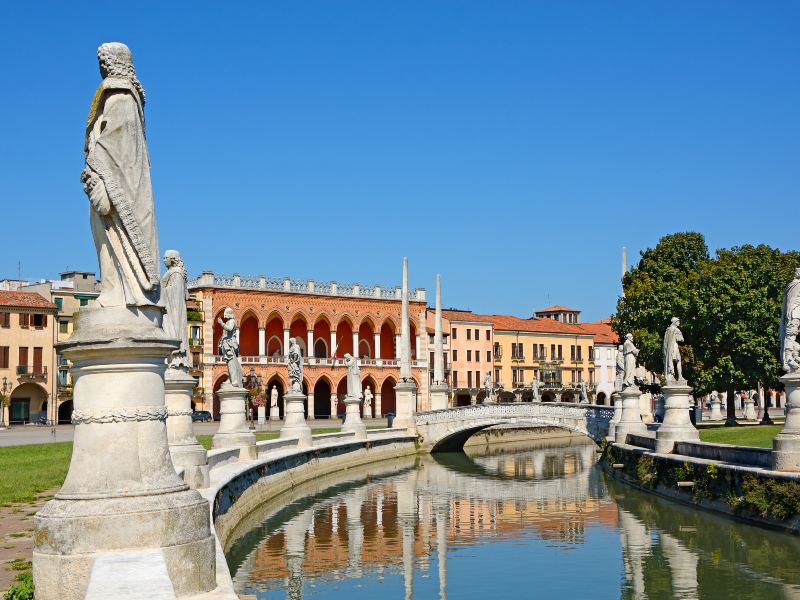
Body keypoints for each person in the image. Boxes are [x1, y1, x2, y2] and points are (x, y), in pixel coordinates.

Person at [81, 43, 160, 309]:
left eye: (104, 61)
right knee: (105, 237)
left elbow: (110, 145)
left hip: (115, 185)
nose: (101, 66)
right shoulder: (122, 99)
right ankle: (113, 289)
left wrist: (95, 164)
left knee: (114, 236)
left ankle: (121, 293)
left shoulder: (121, 98)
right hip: (111, 182)